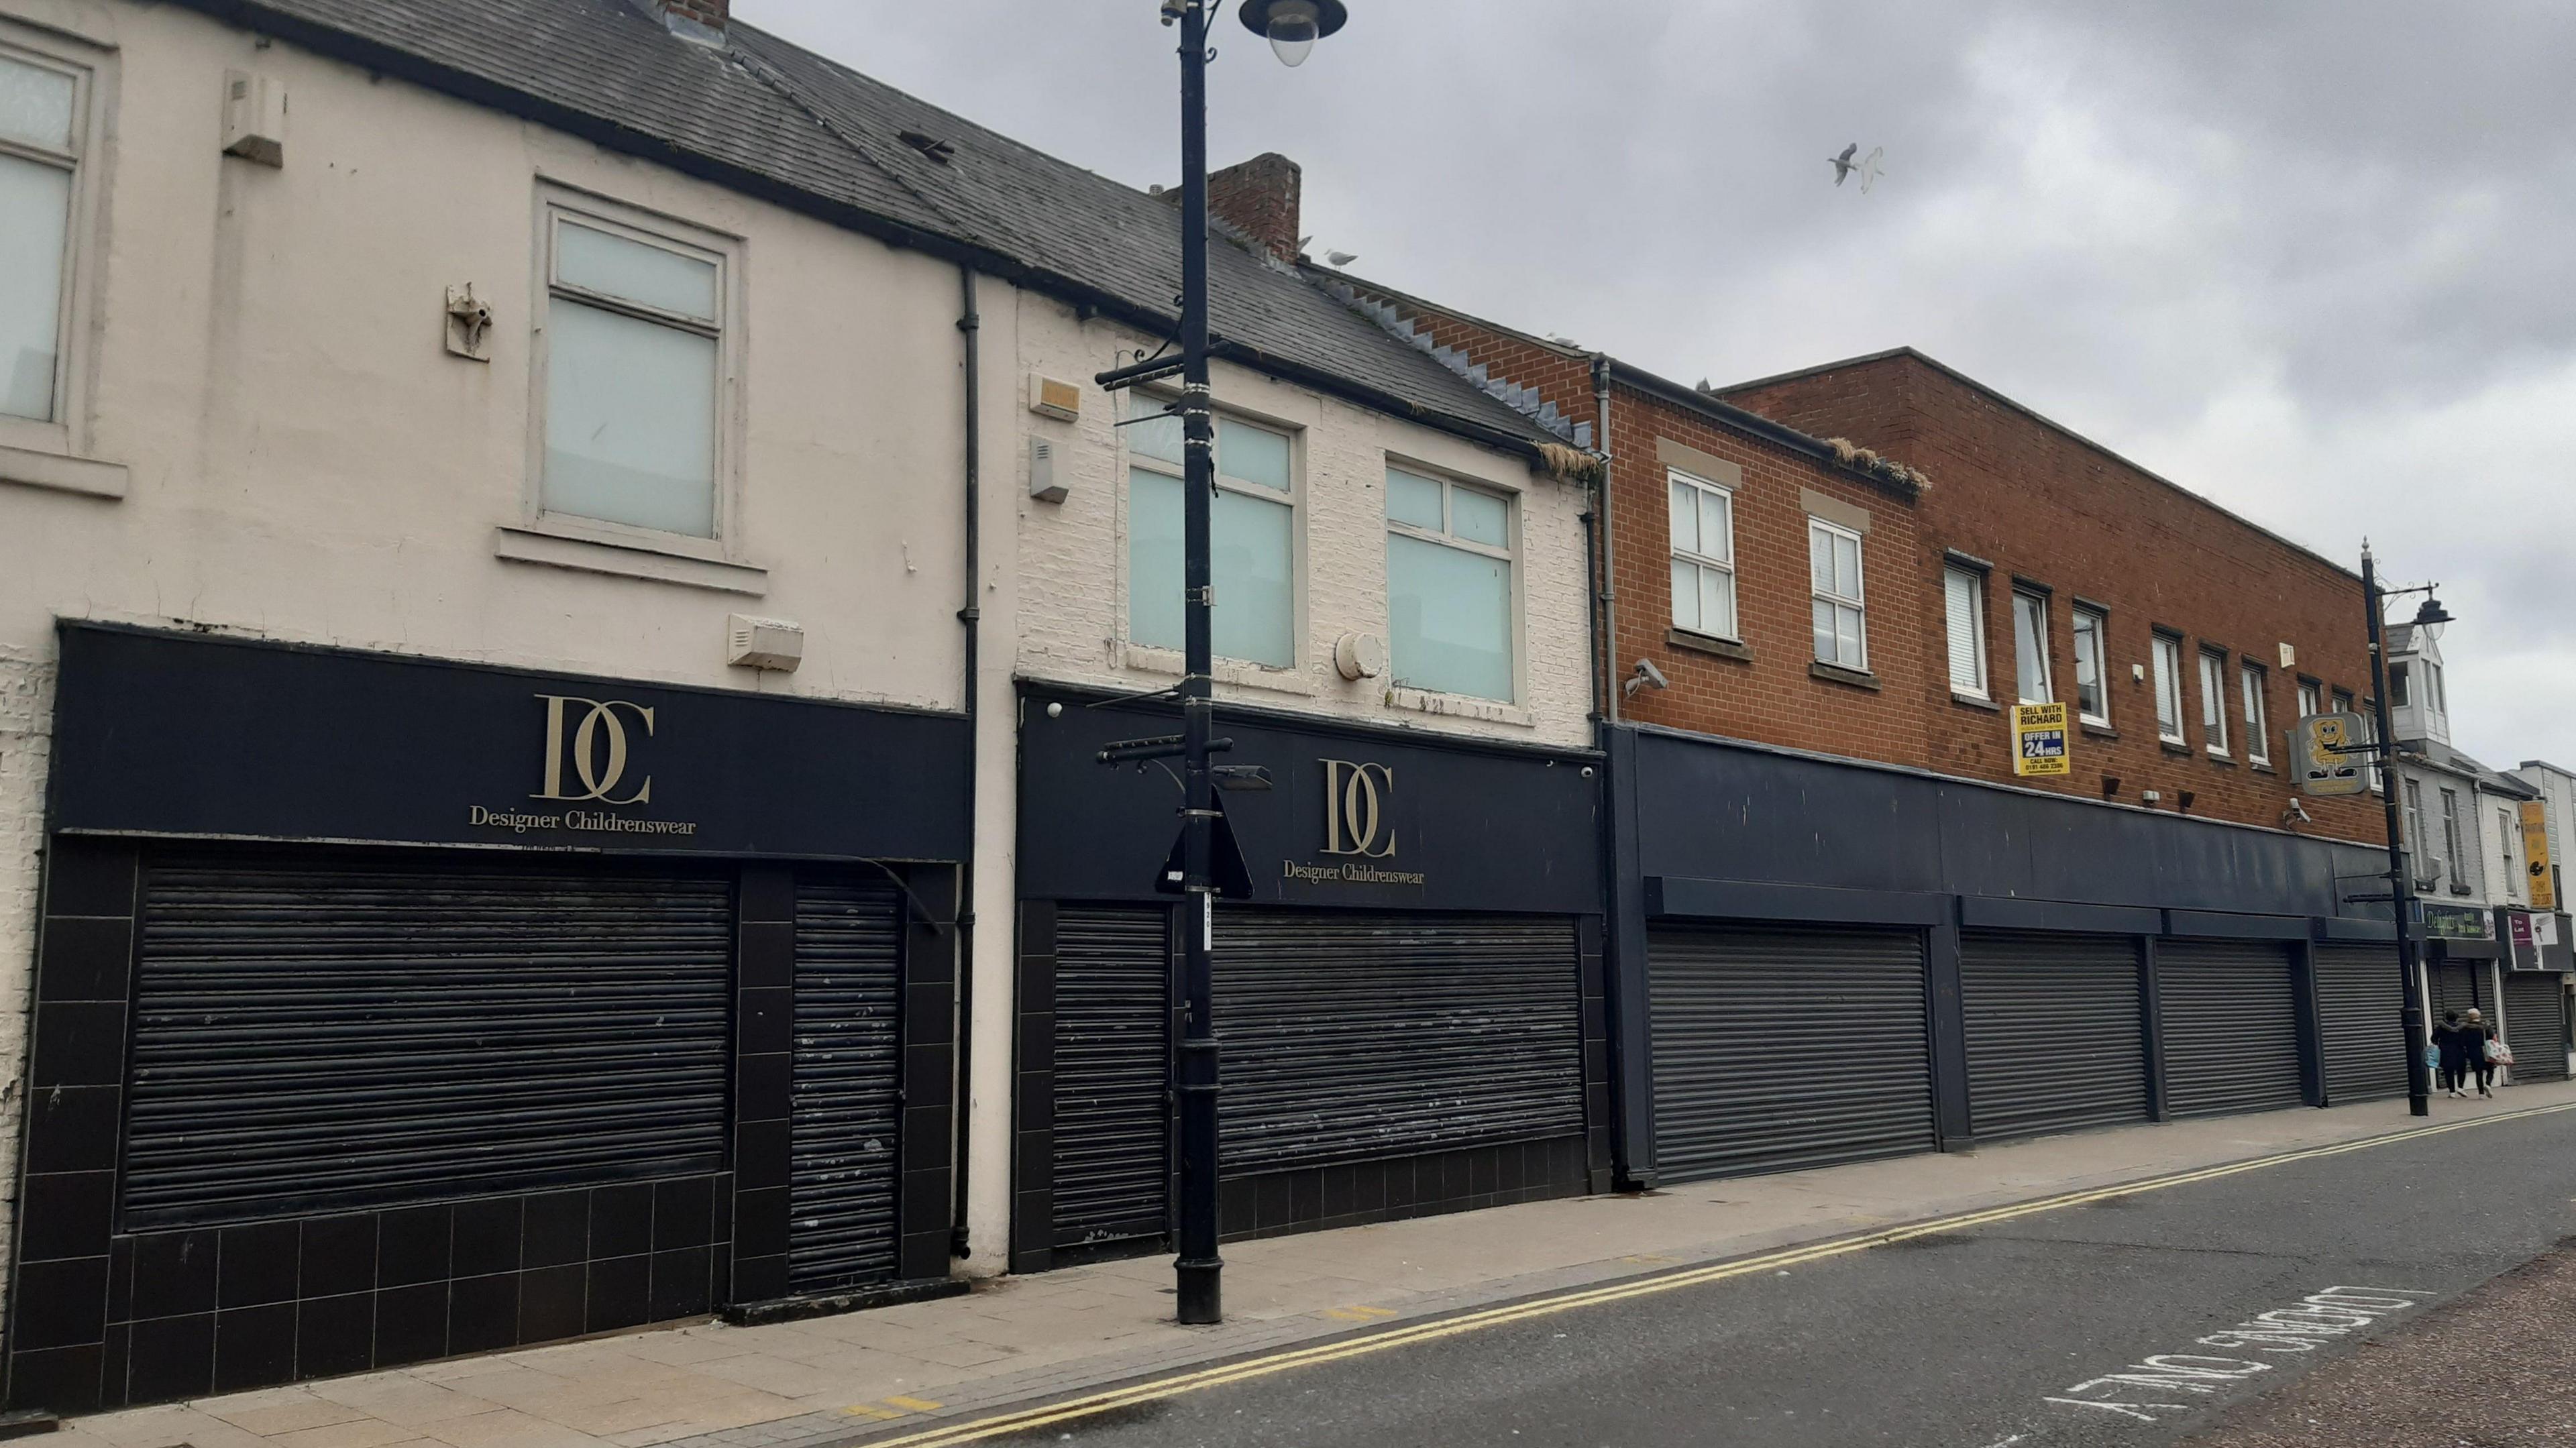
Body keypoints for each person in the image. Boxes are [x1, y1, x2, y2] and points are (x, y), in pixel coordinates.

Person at [2433, 1010, 2477, 1099]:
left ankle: (2452, 1092)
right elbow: (2467, 1039)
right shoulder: (2462, 1028)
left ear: (2446, 1017)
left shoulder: (2441, 1027)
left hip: (2446, 1052)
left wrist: (2439, 1044)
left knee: (2448, 1072)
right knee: (2461, 1070)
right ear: (2457, 1018)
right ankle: (2460, 1088)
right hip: (2459, 1051)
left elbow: (2433, 1038)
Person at [2467, 1008, 2500, 1098]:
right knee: (2491, 1070)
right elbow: (2494, 1039)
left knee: (2479, 1073)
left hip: (2474, 1052)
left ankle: (2481, 1093)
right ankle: (2488, 1084)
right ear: (2479, 1016)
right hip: (2487, 1051)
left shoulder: (2467, 1028)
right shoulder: (2486, 1026)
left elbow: (2463, 1041)